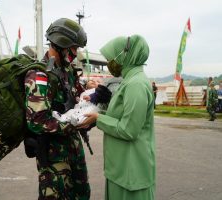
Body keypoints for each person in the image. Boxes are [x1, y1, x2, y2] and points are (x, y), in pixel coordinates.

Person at [79, 35, 156, 200]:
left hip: (131, 172)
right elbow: (120, 117)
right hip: (121, 169)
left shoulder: (136, 85)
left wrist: (98, 118)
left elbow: (129, 130)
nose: (109, 63)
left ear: (126, 56)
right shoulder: (129, 82)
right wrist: (98, 114)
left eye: (112, 58)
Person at [24, 18, 90, 199]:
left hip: (73, 148)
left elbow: (75, 100)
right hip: (54, 156)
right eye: (73, 48)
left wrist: (88, 106)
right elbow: (36, 121)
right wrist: (72, 125)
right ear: (61, 44)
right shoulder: (40, 74)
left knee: (81, 194)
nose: (76, 53)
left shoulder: (67, 71)